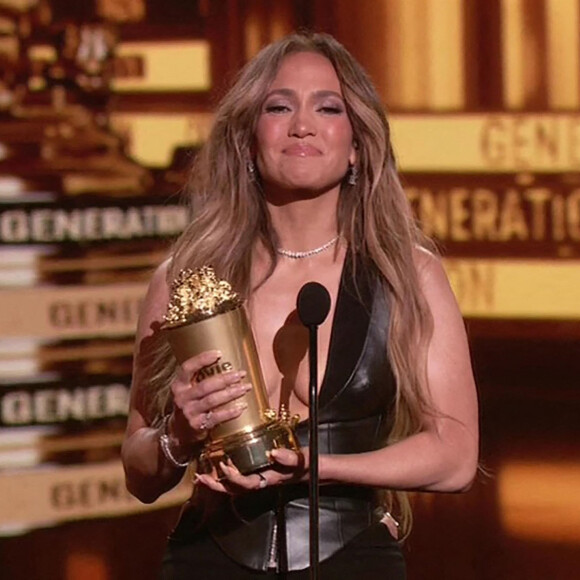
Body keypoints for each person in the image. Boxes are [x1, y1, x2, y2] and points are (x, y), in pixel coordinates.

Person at [121, 31, 479, 579]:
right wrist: (177, 436)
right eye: (279, 106)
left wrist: (314, 467)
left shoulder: (406, 275)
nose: (302, 125)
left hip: (350, 558)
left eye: (328, 107)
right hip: (206, 558)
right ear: (248, 139)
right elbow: (139, 471)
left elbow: (454, 457)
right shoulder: (186, 280)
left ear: (357, 143)